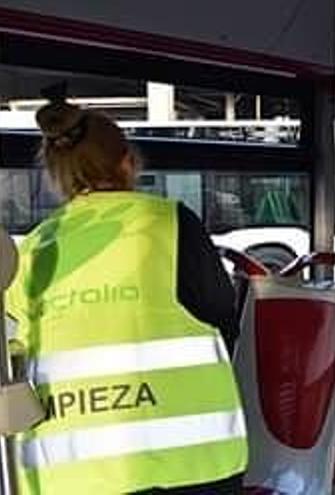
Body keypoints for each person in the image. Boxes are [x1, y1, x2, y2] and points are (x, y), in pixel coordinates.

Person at [4, 97, 247, 494]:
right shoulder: (167, 224)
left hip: (68, 477)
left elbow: (17, 357)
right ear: (127, 162)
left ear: (57, 175)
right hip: (188, 465)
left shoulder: (31, 250)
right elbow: (222, 318)